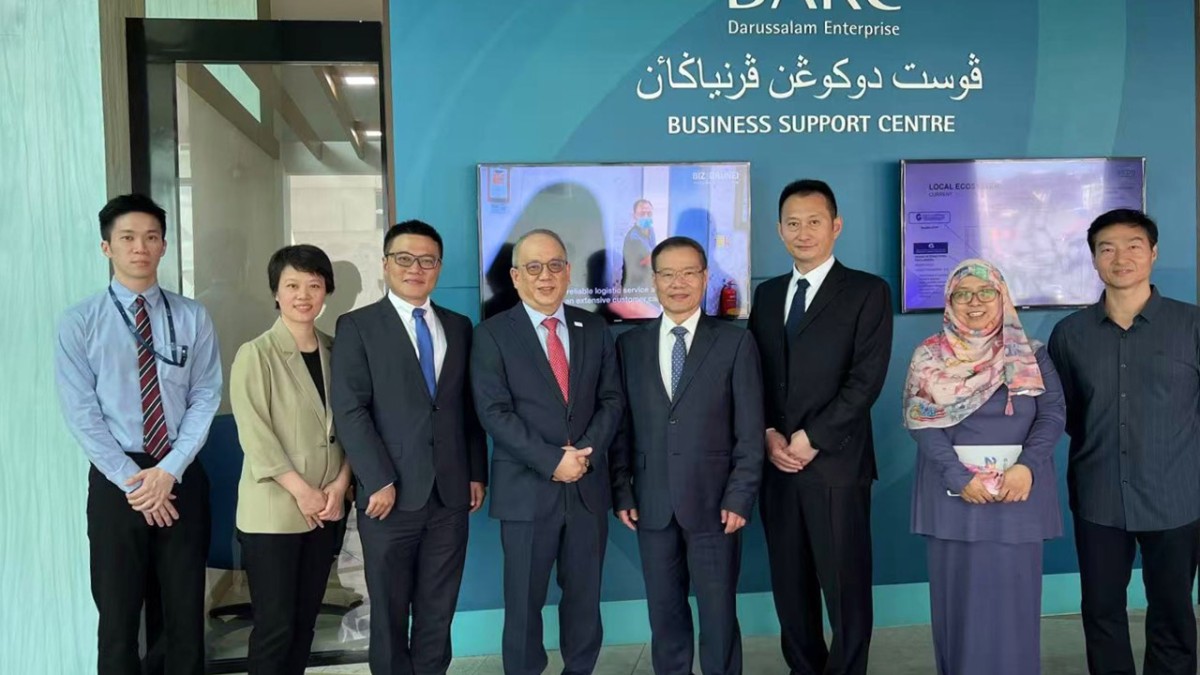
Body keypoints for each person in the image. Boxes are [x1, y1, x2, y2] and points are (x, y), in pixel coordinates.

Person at [55, 193, 222, 675]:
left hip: (180, 474)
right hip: (116, 481)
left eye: (151, 237)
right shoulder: (80, 321)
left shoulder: (193, 316)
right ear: (106, 247)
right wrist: (135, 482)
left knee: (185, 614)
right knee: (118, 614)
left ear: (164, 246)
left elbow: (206, 394)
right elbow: (81, 411)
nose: (140, 247)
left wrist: (169, 471)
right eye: (127, 238)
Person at [746, 179, 892, 675]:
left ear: (836, 226)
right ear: (779, 230)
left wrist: (813, 438)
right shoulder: (767, 295)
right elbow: (756, 376)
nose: (803, 232)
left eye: (814, 221)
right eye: (793, 223)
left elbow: (865, 380)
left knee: (845, 589)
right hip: (778, 467)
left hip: (836, 466)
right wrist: (768, 433)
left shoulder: (867, 291)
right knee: (791, 589)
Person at [331, 220, 488, 675]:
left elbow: (466, 408)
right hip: (390, 497)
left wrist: (475, 472)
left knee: (439, 610)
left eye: (427, 260)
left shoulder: (459, 326)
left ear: (438, 267)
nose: (415, 268)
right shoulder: (358, 326)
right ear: (386, 264)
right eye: (404, 258)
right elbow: (351, 410)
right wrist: (378, 479)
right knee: (390, 611)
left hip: (450, 495)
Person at [1048, 208, 1200, 675]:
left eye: (1134, 246)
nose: (1121, 258)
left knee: (1173, 611)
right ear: (1094, 259)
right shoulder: (1069, 334)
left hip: (1176, 497)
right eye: (1107, 248)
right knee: (1101, 612)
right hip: (1099, 496)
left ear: (1153, 253)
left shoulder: (1192, 325)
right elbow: (1066, 412)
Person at [471, 229, 625, 675]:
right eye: (534, 267)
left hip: (586, 489)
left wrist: (583, 456)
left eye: (555, 265)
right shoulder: (492, 334)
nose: (545, 276)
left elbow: (611, 400)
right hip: (526, 492)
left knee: (585, 601)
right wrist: (552, 460)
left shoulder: (593, 328)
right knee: (523, 604)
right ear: (516, 277)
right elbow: (493, 412)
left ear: (568, 272)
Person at [611, 236, 764, 675]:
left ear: (705, 278)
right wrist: (622, 490)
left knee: (718, 614)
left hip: (716, 505)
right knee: (665, 614)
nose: (678, 283)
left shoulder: (735, 343)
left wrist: (740, 496)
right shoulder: (629, 346)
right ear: (654, 280)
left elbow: (750, 429)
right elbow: (621, 427)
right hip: (651, 503)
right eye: (668, 274)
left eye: (688, 273)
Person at [904, 259, 1065, 675]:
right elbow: (922, 421)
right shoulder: (929, 357)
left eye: (985, 292)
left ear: (1002, 296)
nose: (974, 302)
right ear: (949, 301)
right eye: (962, 294)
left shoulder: (1031, 355)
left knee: (1015, 607)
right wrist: (959, 478)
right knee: (959, 605)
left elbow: (1052, 415)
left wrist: (1027, 467)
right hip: (955, 500)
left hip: (1018, 497)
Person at [229, 244, 351, 674]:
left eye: (314, 285)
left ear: (326, 292)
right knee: (275, 627)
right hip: (274, 514)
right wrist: (302, 492)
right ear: (276, 292)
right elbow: (256, 436)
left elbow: (353, 426)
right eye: (292, 285)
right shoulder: (256, 353)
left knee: (304, 624)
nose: (303, 295)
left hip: (325, 509)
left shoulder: (338, 350)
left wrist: (340, 485)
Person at [621, 199, 657, 295]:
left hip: (649, 287)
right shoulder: (633, 237)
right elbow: (646, 261)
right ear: (634, 216)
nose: (646, 217)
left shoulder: (651, 231)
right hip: (635, 289)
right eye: (642, 214)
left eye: (649, 214)